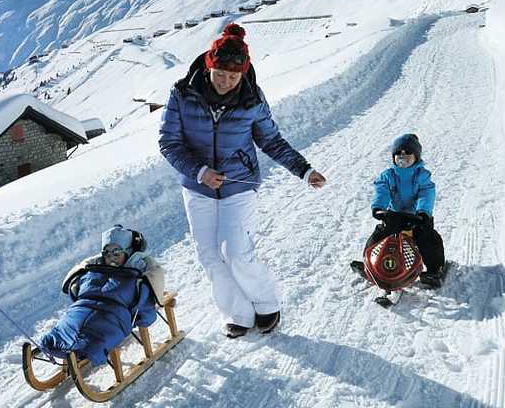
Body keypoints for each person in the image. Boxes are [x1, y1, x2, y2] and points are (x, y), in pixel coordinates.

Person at [158, 23, 325, 338]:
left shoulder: (252, 99)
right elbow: (169, 142)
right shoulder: (183, 93)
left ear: (243, 74)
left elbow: (272, 141)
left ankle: (267, 304)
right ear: (209, 65)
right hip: (197, 188)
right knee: (209, 255)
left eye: (233, 77)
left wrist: (304, 170)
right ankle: (238, 312)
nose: (225, 82)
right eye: (219, 74)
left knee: (235, 252)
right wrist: (200, 172)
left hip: (240, 184)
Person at [33, 226, 167, 367]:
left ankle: (83, 349)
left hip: (113, 315)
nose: (111, 258)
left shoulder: (137, 277)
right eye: (107, 254)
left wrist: (139, 319)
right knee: (67, 328)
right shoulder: (95, 268)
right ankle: (58, 342)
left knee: (93, 341)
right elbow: (77, 291)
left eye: (116, 253)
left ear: (128, 253)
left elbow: (146, 310)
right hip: (82, 308)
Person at [364, 133, 448, 292]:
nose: (403, 159)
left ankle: (434, 270)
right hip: (394, 215)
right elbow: (382, 190)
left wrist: (423, 212)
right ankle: (370, 263)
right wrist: (378, 207)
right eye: (399, 155)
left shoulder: (422, 175)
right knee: (379, 236)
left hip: (417, 217)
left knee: (428, 239)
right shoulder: (388, 175)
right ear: (393, 157)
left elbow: (426, 193)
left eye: (407, 155)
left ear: (416, 157)